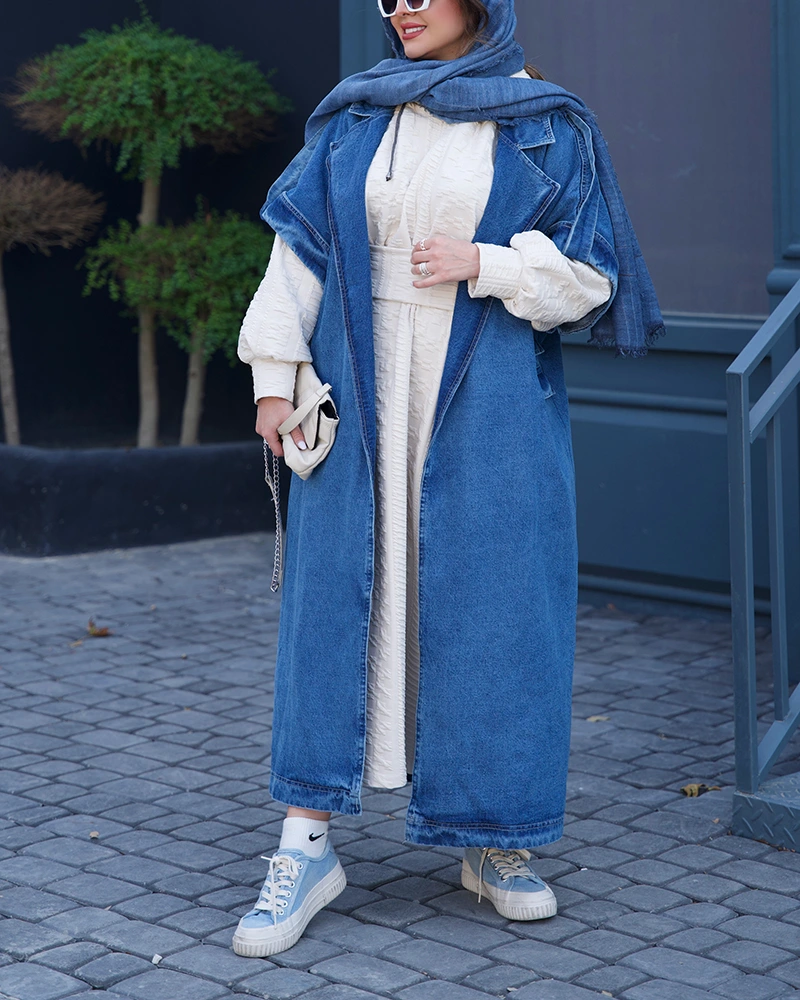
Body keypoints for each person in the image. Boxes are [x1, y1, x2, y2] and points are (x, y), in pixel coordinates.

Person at [234, 0, 663, 958]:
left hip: (490, 401)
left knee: (496, 609)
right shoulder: (358, 114)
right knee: (334, 606)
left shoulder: (545, 120)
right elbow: (297, 252)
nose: (402, 5)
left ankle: (493, 838)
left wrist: (489, 262)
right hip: (360, 387)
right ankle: (305, 844)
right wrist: (273, 378)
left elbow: (592, 279)